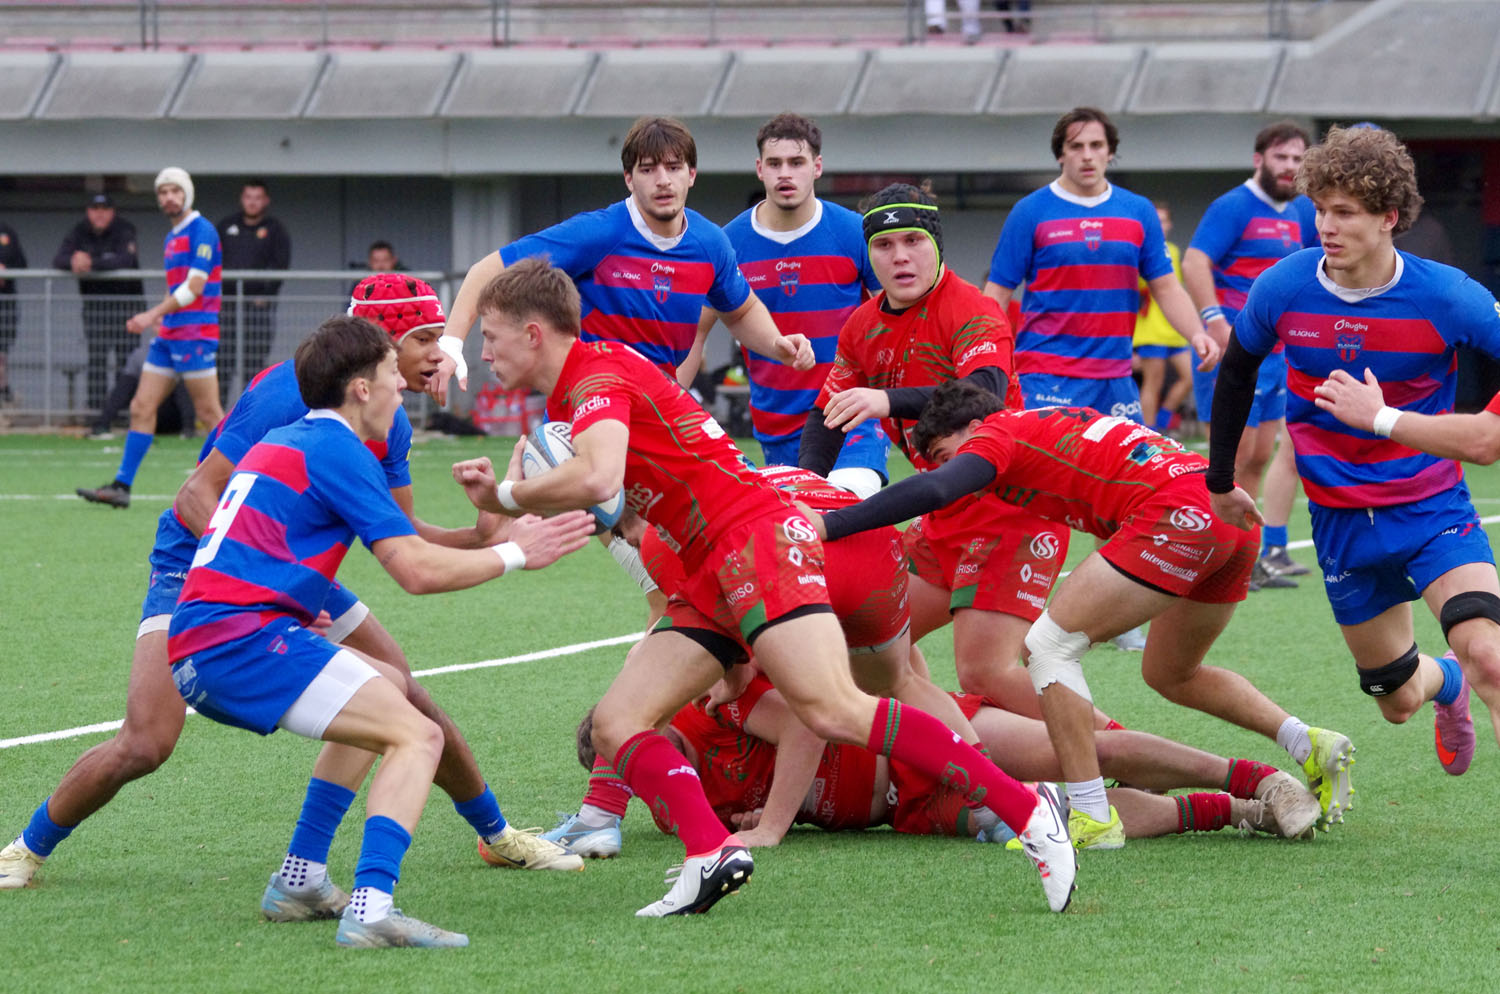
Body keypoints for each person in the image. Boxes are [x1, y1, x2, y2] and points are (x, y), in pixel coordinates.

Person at [453, 257, 1078, 915]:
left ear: (532, 333)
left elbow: (599, 479)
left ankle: (1026, 812)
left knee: (833, 708)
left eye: (489, 336)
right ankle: (709, 853)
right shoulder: (585, 383)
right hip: (715, 559)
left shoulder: (596, 378)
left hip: (755, 540)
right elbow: (613, 489)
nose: (483, 352)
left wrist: (506, 494)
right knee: (616, 723)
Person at [2, 279, 588, 896]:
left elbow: (403, 534)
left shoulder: (388, 419)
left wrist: (486, 527)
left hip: (283, 571)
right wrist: (261, 588)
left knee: (401, 691)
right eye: (424, 339)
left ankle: (496, 834)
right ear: (379, 346)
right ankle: (27, 846)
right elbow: (196, 494)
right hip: (198, 563)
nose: (440, 355)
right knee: (146, 742)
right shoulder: (288, 393)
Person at [164, 317, 593, 947]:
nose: (402, 388)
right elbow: (415, 571)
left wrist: (489, 529)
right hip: (237, 643)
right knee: (418, 734)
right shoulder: (338, 448)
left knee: (386, 684)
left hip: (210, 638)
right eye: (393, 373)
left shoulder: (290, 439)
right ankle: (371, 910)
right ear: (361, 388)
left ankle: (300, 879)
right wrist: (516, 553)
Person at [814, 379, 1353, 845]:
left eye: (946, 454)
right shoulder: (1037, 422)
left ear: (973, 428)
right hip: (1221, 508)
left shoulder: (996, 434)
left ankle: (1093, 817)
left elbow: (936, 489)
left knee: (1047, 648)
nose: (947, 470)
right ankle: (1305, 740)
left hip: (1176, 512)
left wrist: (829, 524)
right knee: (1171, 673)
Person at [1208, 124, 1500, 775]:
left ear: (1388, 217)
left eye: (1344, 212)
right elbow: (1237, 370)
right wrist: (1221, 477)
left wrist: (1479, 424)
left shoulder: (1447, 294)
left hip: (1430, 509)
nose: (1326, 226)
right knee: (1398, 699)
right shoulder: (1285, 286)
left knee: (1490, 656)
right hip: (1339, 520)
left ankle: (1468, 670)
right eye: (1320, 209)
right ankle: (1446, 683)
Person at [798, 183, 1072, 721]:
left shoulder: (972, 309)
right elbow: (827, 414)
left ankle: (1112, 750)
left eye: (913, 241)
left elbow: (986, 390)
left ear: (936, 244)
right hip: (943, 516)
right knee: (868, 644)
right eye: (883, 245)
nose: (900, 257)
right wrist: (801, 486)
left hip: (1009, 510)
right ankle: (949, 748)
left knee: (984, 671)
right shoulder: (862, 325)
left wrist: (886, 399)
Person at [574, 674, 1319, 850]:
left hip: (920, 739)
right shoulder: (671, 804)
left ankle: (1258, 776)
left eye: (645, 747)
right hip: (906, 808)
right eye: (634, 771)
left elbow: (806, 722)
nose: (652, 766)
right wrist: (766, 820)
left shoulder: (709, 709)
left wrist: (770, 822)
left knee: (1086, 755)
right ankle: (1236, 812)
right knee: (1056, 817)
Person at [982, 107, 1218, 652]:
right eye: (1076, 146)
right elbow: (997, 293)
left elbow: (1166, 287)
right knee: (1033, 495)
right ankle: (1016, 606)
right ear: (1060, 154)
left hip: (1114, 378)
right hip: (1045, 373)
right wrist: (987, 362)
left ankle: (1115, 612)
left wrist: (1197, 333)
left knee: (1124, 494)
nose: (1087, 156)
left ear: (1111, 152)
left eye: (1096, 146)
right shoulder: (1031, 212)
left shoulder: (1136, 212)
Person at [439, 116, 814, 405]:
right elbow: (486, 271)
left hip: (659, 409)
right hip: (591, 405)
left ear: (692, 175)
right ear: (629, 179)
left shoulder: (710, 243)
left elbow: (741, 311)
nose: (663, 180)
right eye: (648, 169)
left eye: (673, 167)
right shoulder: (599, 233)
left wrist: (776, 344)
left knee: (730, 479)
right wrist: (452, 343)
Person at [712, 112, 888, 497]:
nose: (785, 174)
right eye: (775, 163)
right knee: (799, 531)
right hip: (776, 427)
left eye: (797, 162)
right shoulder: (728, 243)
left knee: (848, 505)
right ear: (760, 169)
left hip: (850, 416)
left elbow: (895, 322)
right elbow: (694, 332)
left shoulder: (854, 232)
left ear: (817, 167)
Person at [1184, 121, 1319, 590]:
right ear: (1259, 159)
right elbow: (1194, 261)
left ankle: (1245, 555)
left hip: (1278, 352)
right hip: (1235, 351)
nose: (1289, 167)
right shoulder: (1234, 206)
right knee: (1234, 457)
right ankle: (1208, 560)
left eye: (1297, 159)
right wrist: (1214, 321)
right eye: (1281, 157)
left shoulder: (1300, 210)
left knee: (1262, 455)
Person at [76, 168, 225, 508]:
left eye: (175, 191)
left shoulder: (202, 230)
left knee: (209, 413)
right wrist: (160, 317)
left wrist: (151, 314)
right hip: (170, 334)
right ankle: (122, 486)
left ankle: (248, 482)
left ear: (187, 194)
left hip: (195, 333)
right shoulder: (172, 237)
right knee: (141, 406)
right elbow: (176, 289)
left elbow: (195, 287)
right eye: (163, 192)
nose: (169, 197)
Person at [52, 194, 145, 413]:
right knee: (96, 358)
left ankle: (123, 411)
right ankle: (97, 411)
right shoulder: (79, 231)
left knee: (126, 361)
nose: (100, 214)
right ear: (88, 212)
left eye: (105, 209)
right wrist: (74, 261)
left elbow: (125, 260)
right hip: (95, 308)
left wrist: (90, 263)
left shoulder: (124, 229)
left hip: (127, 307)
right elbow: (59, 259)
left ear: (112, 212)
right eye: (95, 209)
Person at [217, 179, 291, 401]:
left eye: (258, 198)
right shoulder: (225, 226)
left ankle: (250, 412)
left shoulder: (275, 229)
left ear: (266, 201)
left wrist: (266, 295)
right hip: (227, 307)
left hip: (257, 309)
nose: (252, 202)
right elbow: (213, 261)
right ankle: (218, 414)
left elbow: (281, 265)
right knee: (222, 362)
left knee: (254, 365)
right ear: (242, 199)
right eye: (248, 197)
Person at [1132, 202, 1194, 435]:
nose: (1160, 225)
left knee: (1190, 377)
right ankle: (1149, 434)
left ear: (1169, 225)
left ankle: (1163, 421)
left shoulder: (1174, 251)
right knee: (1153, 383)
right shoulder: (1139, 249)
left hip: (1174, 330)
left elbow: (1174, 290)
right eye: (1155, 221)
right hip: (1150, 330)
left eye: (1164, 221)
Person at [0, 218, 26, 405]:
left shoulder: (6, 231)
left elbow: (22, 263)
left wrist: (5, 271)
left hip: (4, 304)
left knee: (1, 353)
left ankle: (3, 393)